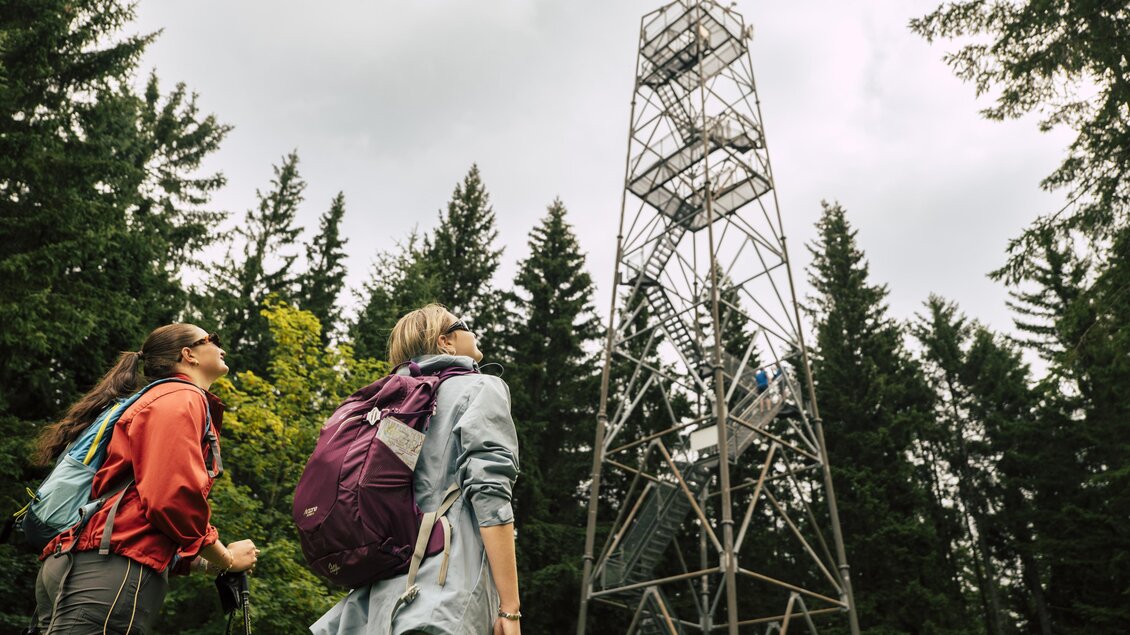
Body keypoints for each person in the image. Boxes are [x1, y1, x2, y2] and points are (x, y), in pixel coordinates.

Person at [32, 323, 259, 634]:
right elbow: (170, 498)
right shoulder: (181, 397)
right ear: (188, 354)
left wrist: (205, 562)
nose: (222, 347)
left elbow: (134, 502)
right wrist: (226, 558)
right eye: (212, 339)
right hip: (109, 568)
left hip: (79, 562)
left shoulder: (157, 399)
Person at [312, 304, 522, 635]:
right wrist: (510, 609)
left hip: (378, 605)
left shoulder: (400, 408)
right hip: (445, 596)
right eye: (464, 325)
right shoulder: (481, 388)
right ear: (446, 342)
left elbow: (384, 488)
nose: (473, 331)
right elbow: (489, 493)